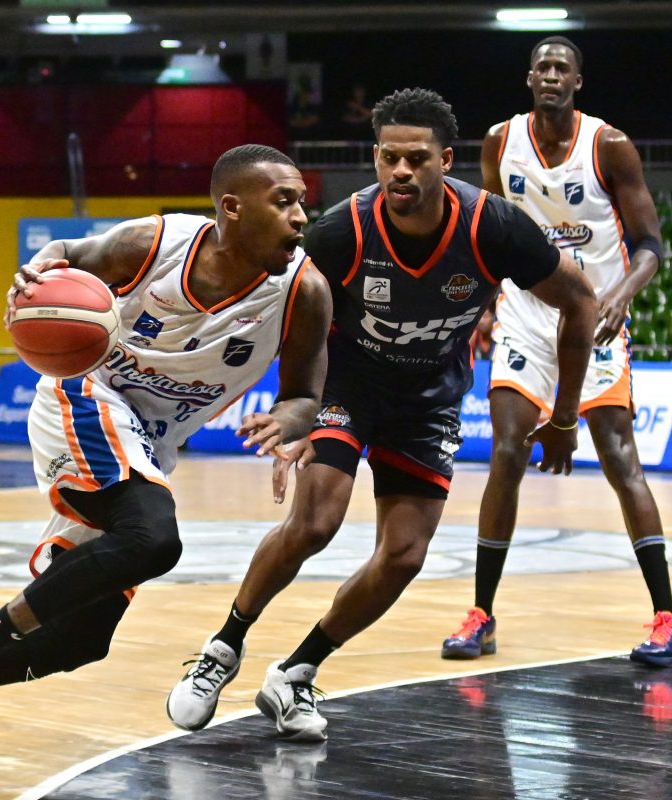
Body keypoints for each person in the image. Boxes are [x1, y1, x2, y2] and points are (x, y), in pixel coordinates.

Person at [0, 144, 334, 782]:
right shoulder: (154, 244)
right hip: (89, 394)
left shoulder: (304, 290)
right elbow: (65, 253)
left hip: (151, 443)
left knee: (79, 639)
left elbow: (305, 394)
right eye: (284, 202)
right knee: (152, 539)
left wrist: (288, 422)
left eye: (302, 203)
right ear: (232, 207)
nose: (300, 217)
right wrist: (37, 270)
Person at [167, 87, 598, 742]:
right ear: (374, 158)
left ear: (445, 161)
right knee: (315, 522)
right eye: (388, 157)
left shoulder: (492, 226)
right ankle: (223, 648)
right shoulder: (342, 230)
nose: (401, 171)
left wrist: (564, 417)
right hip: (350, 383)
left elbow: (582, 299)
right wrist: (294, 410)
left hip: (429, 398)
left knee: (403, 556)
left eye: (416, 159)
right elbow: (286, 313)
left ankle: (296, 672)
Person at [441, 36, 672, 669]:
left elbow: (651, 244)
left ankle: (669, 618)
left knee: (618, 454)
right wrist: (476, 309)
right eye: (543, 67)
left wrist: (620, 296)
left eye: (562, 68)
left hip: (596, 317)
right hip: (526, 316)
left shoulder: (609, 145)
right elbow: (489, 236)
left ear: (577, 82)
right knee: (506, 451)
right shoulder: (500, 142)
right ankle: (481, 615)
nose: (551, 75)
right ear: (529, 78)